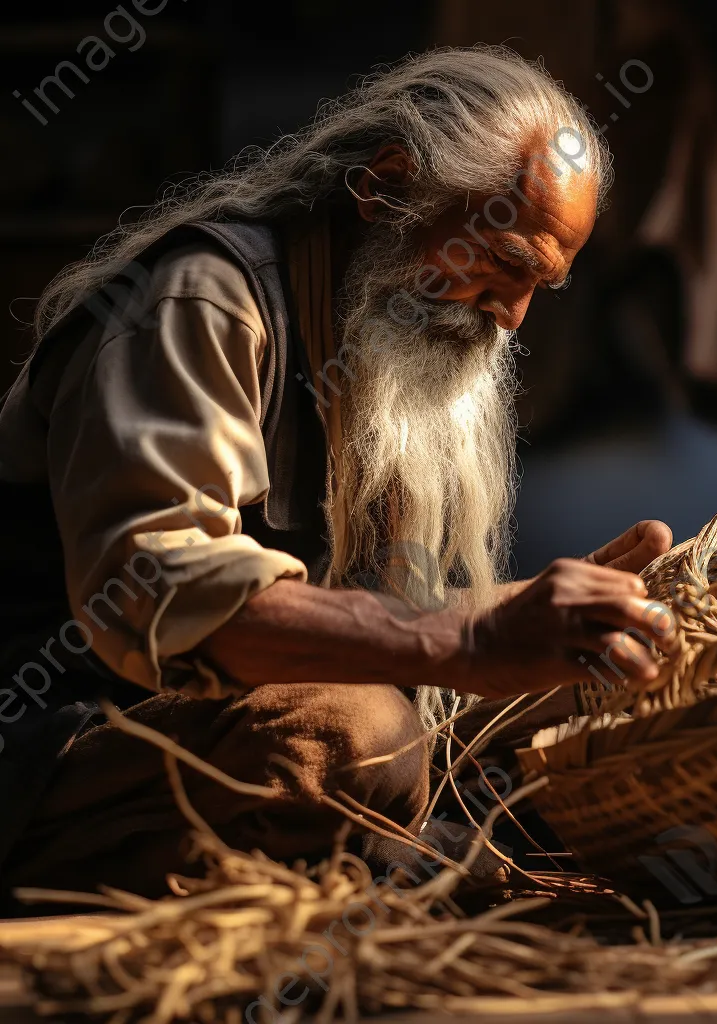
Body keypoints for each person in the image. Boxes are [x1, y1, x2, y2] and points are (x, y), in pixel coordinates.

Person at [0, 46, 674, 899]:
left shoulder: (381, 349)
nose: (512, 316)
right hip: (51, 751)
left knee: (604, 699)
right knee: (360, 732)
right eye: (504, 261)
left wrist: (552, 617)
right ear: (386, 186)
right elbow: (157, 590)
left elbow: (379, 621)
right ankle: (385, 864)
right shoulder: (202, 302)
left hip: (214, 741)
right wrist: (470, 641)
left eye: (541, 283)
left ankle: (394, 855)